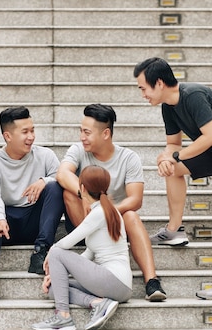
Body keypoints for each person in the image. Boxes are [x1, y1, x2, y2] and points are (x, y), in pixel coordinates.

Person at [133, 57, 212, 300]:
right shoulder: (168, 106)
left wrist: (173, 155)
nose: (142, 94)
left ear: (159, 83)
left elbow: (211, 135)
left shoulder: (191, 95)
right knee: (174, 168)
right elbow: (173, 144)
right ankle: (174, 230)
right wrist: (166, 158)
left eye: (143, 88)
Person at [56, 103, 167, 302]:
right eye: (81, 131)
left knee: (131, 215)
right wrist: (86, 198)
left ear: (105, 134)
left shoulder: (128, 158)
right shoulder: (78, 150)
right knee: (68, 192)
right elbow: (63, 173)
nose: (82, 137)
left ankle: (152, 281)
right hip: (83, 222)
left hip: (113, 230)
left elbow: (135, 199)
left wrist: (106, 211)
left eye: (87, 132)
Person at [0, 106, 65, 303]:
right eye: (25, 132)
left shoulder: (45, 155)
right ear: (8, 136)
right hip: (9, 226)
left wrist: (44, 181)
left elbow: (63, 177)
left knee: (55, 186)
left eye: (32, 130)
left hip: (37, 221)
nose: (31, 137)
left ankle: (41, 251)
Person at [32, 165, 132, 330]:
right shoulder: (107, 211)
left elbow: (65, 244)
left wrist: (51, 255)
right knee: (54, 288)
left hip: (113, 280)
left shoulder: (99, 213)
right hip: (117, 286)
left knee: (56, 251)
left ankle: (62, 317)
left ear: (82, 188)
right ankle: (97, 303)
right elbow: (89, 254)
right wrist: (57, 274)